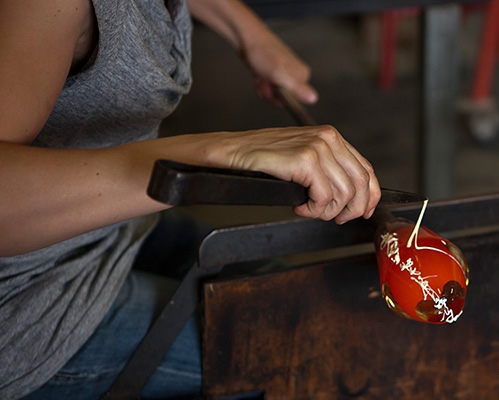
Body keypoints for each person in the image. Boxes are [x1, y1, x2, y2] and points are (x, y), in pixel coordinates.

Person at [0, 0, 381, 398]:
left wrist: (247, 31)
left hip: (111, 233)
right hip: (26, 306)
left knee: (292, 293)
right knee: (314, 351)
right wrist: (216, 152)